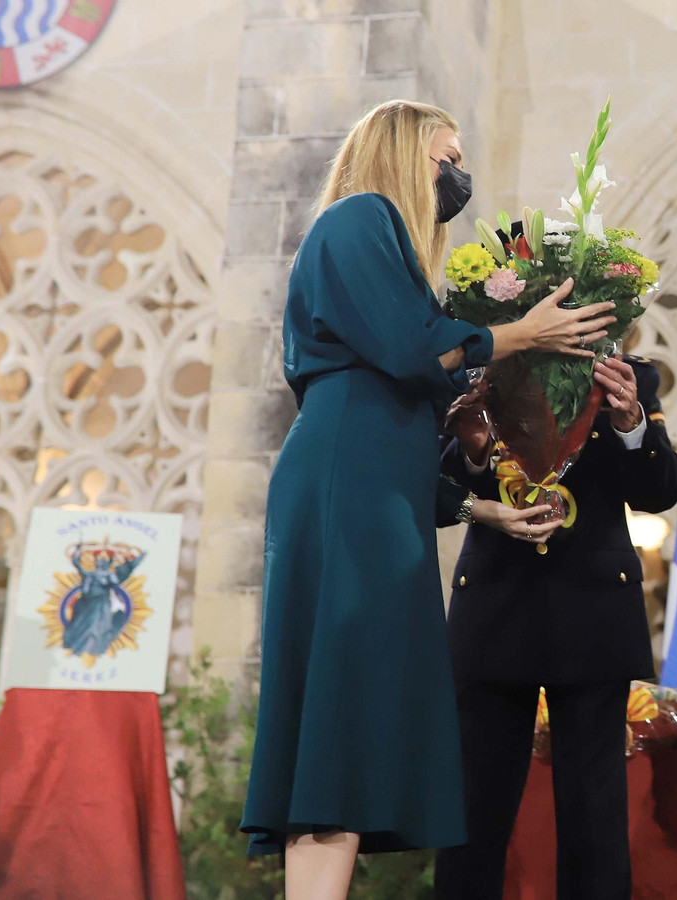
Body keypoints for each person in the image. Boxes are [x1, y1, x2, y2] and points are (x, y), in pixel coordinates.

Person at [240, 100, 615, 900]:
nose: (457, 174)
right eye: (446, 156)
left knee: (350, 714)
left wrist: (483, 509)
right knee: (340, 705)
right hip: (350, 485)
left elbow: (404, 411)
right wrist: (524, 334)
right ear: (405, 156)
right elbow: (416, 350)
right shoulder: (360, 216)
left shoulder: (383, 245)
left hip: (373, 486)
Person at [433, 353, 677, 900]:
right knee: (472, 818)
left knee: (595, 824)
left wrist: (630, 423)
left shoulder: (626, 374)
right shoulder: (482, 371)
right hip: (495, 609)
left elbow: (658, 492)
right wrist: (475, 451)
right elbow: (437, 491)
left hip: (592, 612)